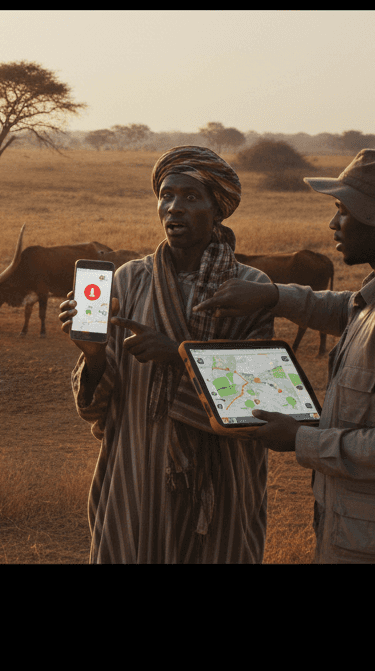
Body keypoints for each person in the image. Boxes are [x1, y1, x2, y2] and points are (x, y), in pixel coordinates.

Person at [195, 149, 375, 563]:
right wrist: (272, 295)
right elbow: (350, 309)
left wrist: (301, 440)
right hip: (374, 530)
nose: (333, 223)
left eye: (342, 210)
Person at [60, 146, 274, 563]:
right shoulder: (130, 280)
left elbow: (260, 402)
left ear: (218, 207)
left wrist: (178, 355)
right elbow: (96, 409)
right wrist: (94, 355)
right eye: (167, 194)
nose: (174, 207)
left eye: (191, 197)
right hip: (134, 470)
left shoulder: (249, 287)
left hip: (220, 477)